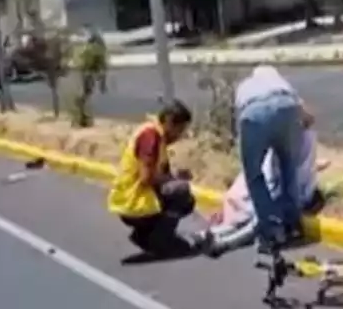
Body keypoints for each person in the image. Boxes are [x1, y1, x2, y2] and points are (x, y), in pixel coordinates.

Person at [191, 119, 324, 257]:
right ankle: (223, 243)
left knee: (247, 221)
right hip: (265, 196)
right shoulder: (297, 143)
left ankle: (210, 236)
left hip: (250, 193)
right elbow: (282, 178)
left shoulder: (279, 140)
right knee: (259, 222)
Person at [235, 65, 312, 255]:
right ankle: (292, 224)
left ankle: (272, 231)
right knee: (288, 167)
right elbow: (307, 115)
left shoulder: (246, 86)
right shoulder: (282, 84)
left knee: (254, 174)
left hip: (254, 112)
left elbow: (242, 119)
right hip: (288, 107)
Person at [107, 100, 197, 257]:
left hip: (136, 198)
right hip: (134, 201)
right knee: (181, 192)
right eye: (180, 130)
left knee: (185, 198)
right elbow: (145, 178)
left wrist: (173, 176)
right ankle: (159, 242)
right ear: (169, 123)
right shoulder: (150, 137)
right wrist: (174, 179)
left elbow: (156, 173)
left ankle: (145, 235)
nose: (180, 136)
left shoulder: (155, 134)